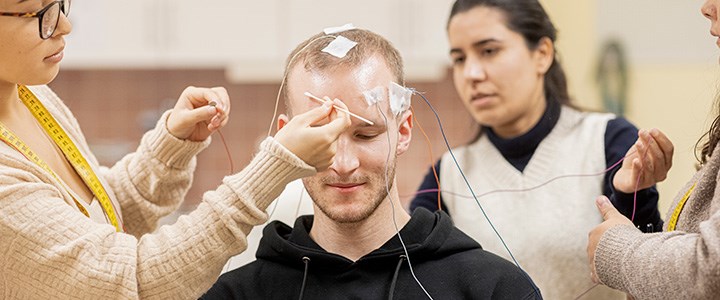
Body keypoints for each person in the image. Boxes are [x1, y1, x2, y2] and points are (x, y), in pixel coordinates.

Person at [0, 0, 351, 298]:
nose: (64, 25)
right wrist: (274, 167)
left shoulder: (30, 94)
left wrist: (170, 146)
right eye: (36, 13)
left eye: (60, 3)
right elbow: (137, 283)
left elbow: (99, 217)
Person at [202, 28, 541, 299]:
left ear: (403, 131)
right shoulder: (236, 293)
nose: (344, 163)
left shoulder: (496, 289)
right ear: (285, 140)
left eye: (366, 135)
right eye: (322, 137)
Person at [410, 0, 664, 298]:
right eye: (459, 59)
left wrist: (633, 194)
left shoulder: (608, 140)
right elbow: (411, 271)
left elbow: (649, 269)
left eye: (489, 51)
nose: (471, 74)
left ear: (542, 54)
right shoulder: (449, 174)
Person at [587, 0, 720, 298]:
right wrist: (635, 198)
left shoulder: (607, 134)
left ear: (543, 53)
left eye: (491, 51)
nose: (707, 7)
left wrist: (618, 250)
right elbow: (673, 274)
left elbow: (712, 270)